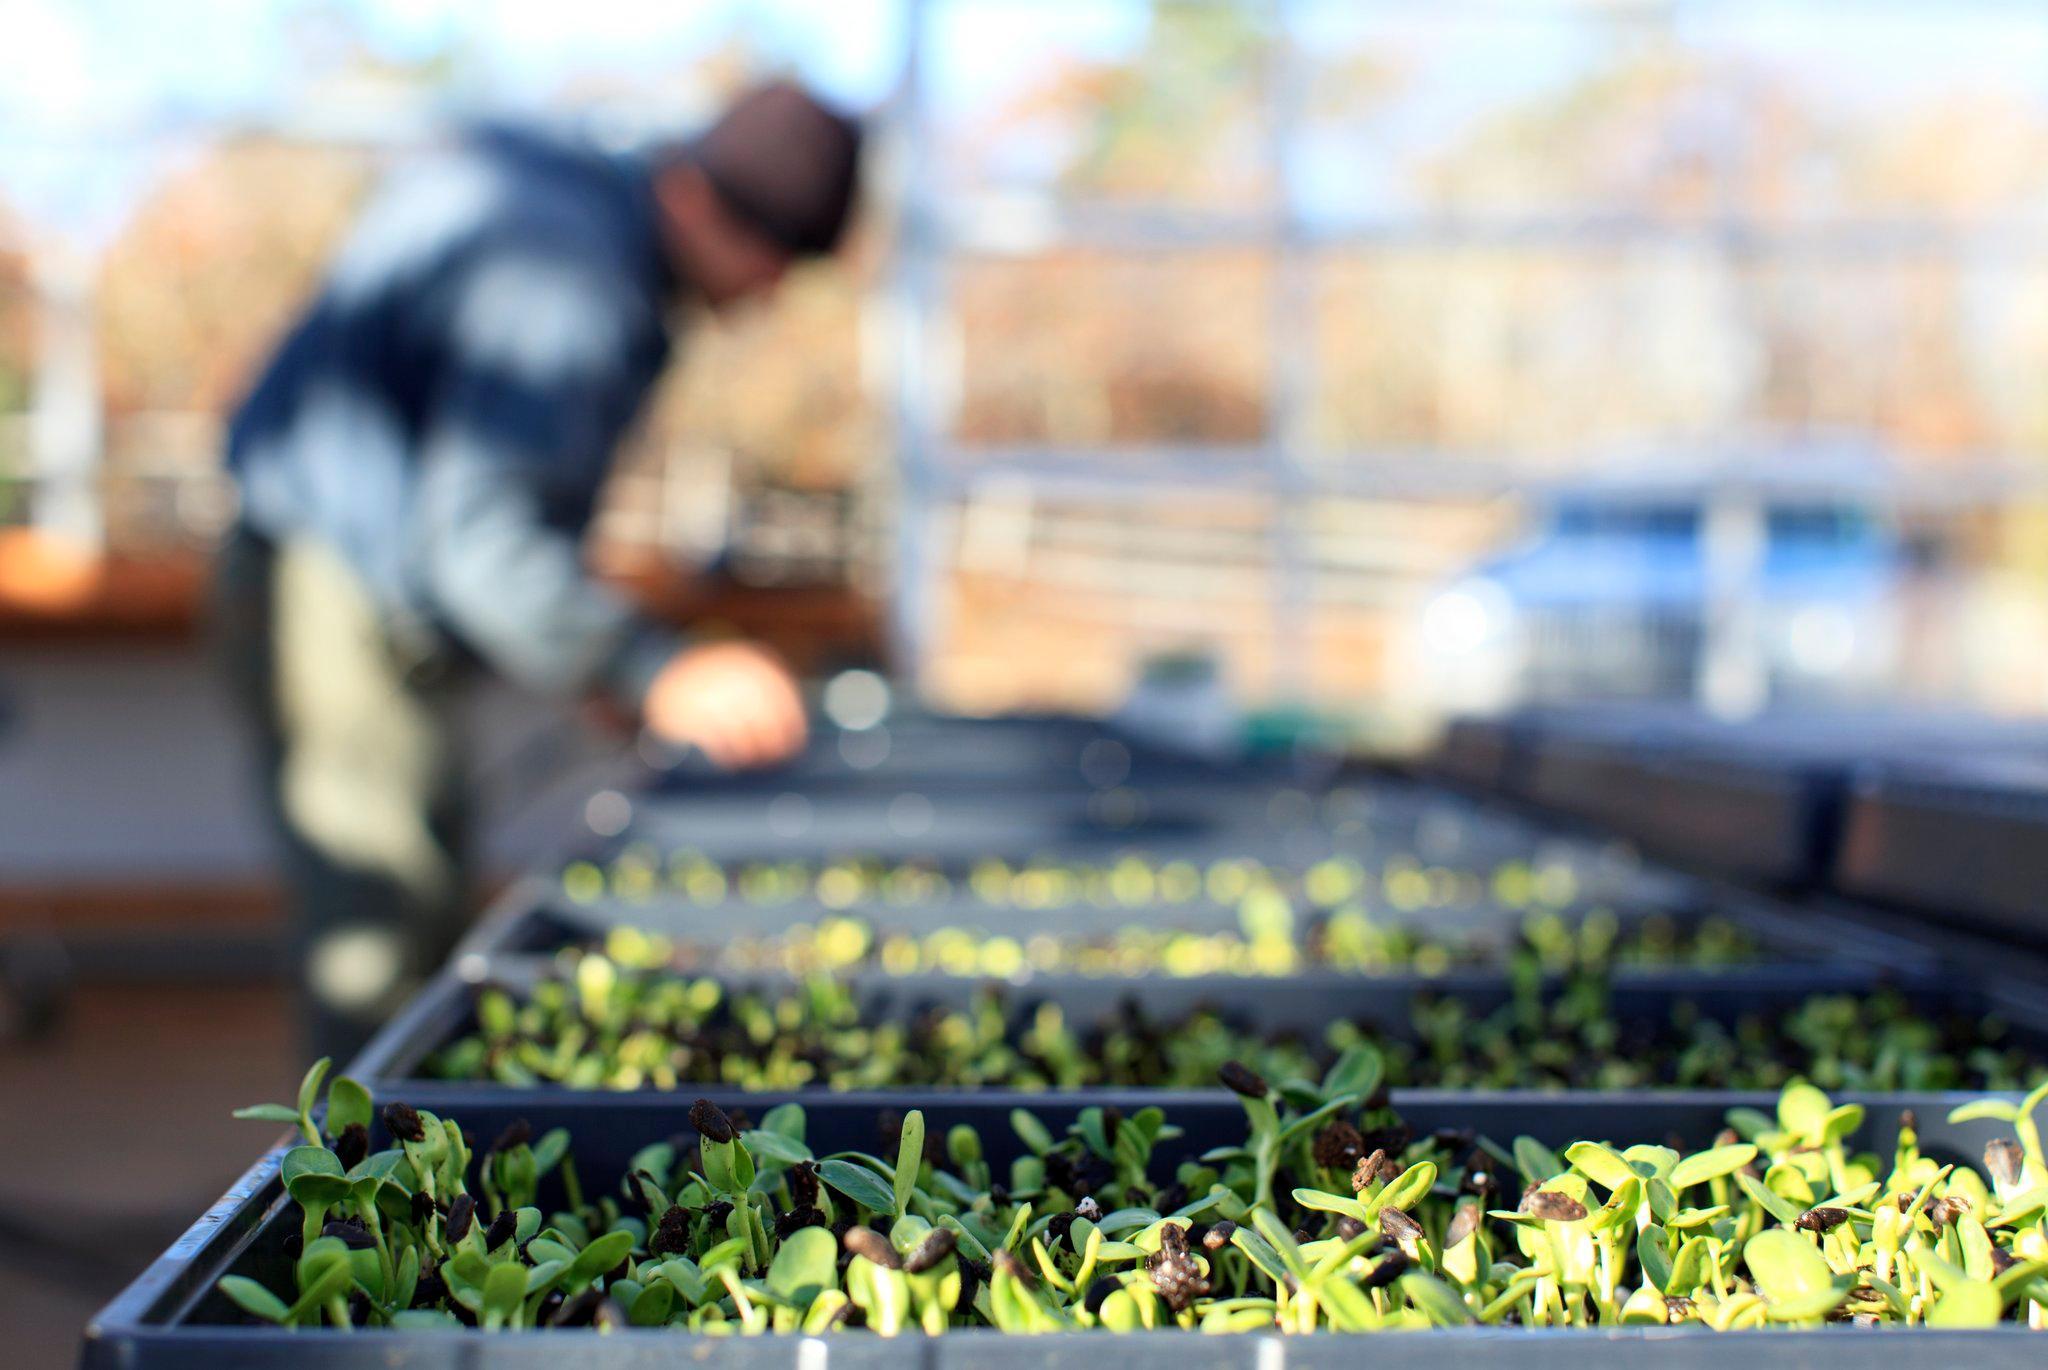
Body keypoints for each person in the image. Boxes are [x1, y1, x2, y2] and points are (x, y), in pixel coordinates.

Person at [213, 83, 860, 1062]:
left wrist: (592, 659)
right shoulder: (566, 273)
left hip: (323, 565)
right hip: (325, 590)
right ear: (694, 197)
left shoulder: (564, 203)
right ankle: (351, 1167)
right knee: (378, 941)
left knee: (421, 905)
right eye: (768, 259)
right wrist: (650, 667)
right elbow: (481, 542)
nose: (766, 294)